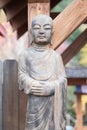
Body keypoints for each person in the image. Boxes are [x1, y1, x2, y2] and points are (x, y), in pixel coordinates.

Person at [18, 14, 67, 130]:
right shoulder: (25, 55)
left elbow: (63, 79)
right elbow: (21, 76)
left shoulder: (56, 56)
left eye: (46, 28)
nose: (41, 32)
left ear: (52, 33)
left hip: (52, 106)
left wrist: (51, 87)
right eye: (36, 28)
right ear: (31, 32)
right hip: (34, 106)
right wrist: (32, 84)